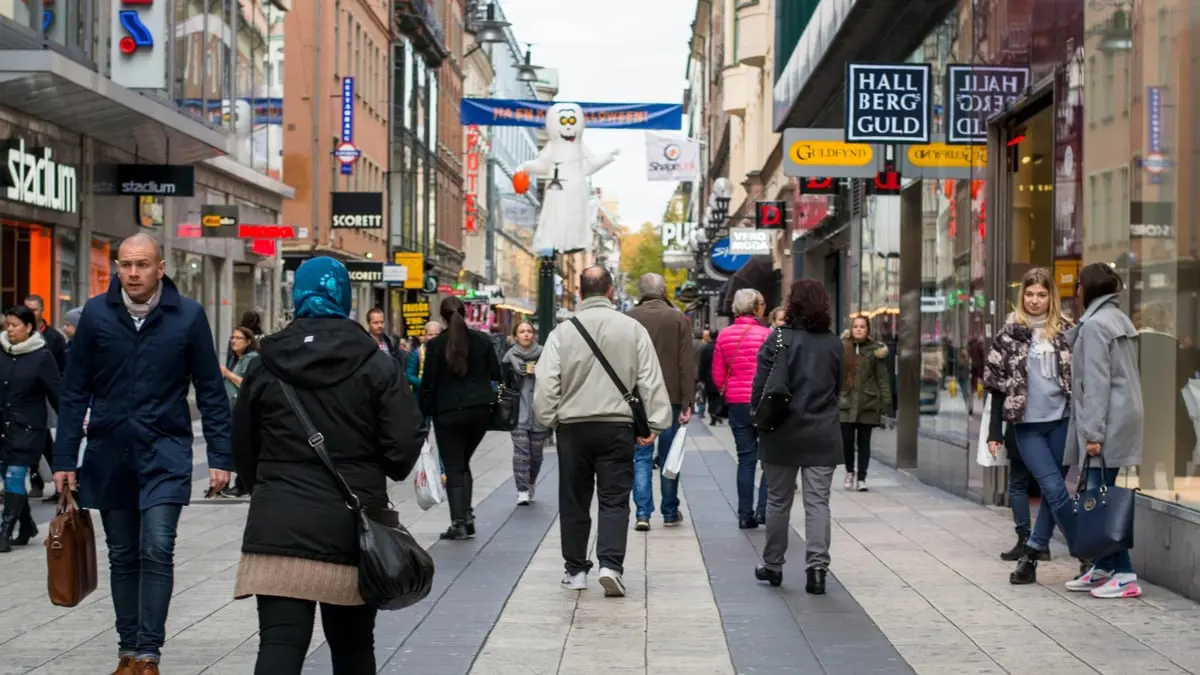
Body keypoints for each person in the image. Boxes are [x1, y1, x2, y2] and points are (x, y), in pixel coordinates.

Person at [231, 256, 425, 674]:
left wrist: (267, 486)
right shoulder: (376, 364)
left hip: (278, 524)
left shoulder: (266, 363)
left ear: (295, 294)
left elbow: (242, 448)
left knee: (280, 644)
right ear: (345, 297)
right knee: (353, 647)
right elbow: (401, 452)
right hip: (351, 529)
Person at [52, 233, 232, 675]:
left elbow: (210, 390)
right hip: (110, 453)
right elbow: (74, 392)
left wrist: (221, 457)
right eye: (126, 265)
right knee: (123, 554)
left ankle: (148, 654)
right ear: (117, 267)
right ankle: (128, 651)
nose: (133, 273)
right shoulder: (96, 314)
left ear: (161, 267)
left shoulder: (187, 316)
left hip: (165, 451)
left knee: (157, 547)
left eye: (142, 265)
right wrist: (63, 459)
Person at [534, 266, 671, 597]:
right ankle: (610, 565)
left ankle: (576, 569)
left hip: (574, 427)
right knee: (614, 498)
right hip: (617, 426)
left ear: (580, 293)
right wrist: (655, 422)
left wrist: (551, 418)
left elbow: (546, 382)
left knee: (574, 499)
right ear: (611, 291)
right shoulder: (632, 329)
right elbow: (650, 378)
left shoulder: (561, 333)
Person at [751, 279, 842, 595]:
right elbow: (840, 385)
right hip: (822, 432)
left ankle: (773, 566)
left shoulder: (778, 338)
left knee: (778, 500)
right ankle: (816, 570)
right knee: (818, 503)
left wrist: (757, 419)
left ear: (792, 304)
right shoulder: (833, 343)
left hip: (781, 431)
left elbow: (760, 385)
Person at [984, 267, 1074, 585]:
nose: (1035, 300)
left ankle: (1031, 556)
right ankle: (1088, 550)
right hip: (1027, 426)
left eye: (1042, 294)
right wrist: (994, 433)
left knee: (1053, 493)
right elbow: (995, 387)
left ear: (1051, 296)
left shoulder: (1065, 331)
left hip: (1063, 422)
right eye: (1030, 294)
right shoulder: (1009, 333)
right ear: (1022, 295)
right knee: (1052, 487)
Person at [1063, 263, 1144, 599]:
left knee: (1101, 498)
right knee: (1102, 491)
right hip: (1123, 415)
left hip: (1105, 420)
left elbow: (1096, 384)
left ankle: (1124, 573)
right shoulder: (1118, 319)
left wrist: (1093, 434)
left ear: (1087, 289)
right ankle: (1104, 567)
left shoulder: (1096, 326)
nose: (1076, 292)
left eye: (1079, 286)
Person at [420, 297, 500, 541]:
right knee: (462, 461)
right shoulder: (483, 341)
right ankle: (467, 516)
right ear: (465, 313)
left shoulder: (436, 346)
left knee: (454, 466)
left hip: (448, 412)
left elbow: (429, 386)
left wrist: (422, 415)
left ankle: (459, 523)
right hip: (479, 411)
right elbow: (496, 374)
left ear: (443, 317)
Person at [627, 273, 695, 530]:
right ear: (664, 290)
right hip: (671, 397)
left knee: (641, 455)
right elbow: (686, 363)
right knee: (669, 456)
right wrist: (688, 400)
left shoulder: (629, 318)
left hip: (638, 398)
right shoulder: (677, 317)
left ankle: (643, 513)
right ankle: (669, 511)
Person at [0, 305, 60, 551]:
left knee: (15, 476)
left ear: (28, 327)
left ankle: (4, 531)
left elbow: (57, 393)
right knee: (7, 476)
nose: (10, 330)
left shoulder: (42, 356)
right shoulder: (1, 351)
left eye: (15, 325)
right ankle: (26, 525)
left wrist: (72, 424)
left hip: (28, 428)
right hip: (2, 427)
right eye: (7, 324)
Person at [711, 289, 770, 529]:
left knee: (746, 459)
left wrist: (730, 391)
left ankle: (745, 515)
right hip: (765, 404)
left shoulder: (724, 336)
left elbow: (717, 375)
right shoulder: (769, 335)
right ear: (757, 307)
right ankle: (764, 510)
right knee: (769, 459)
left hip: (737, 405)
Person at [839, 316, 892, 492]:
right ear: (851, 329)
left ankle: (862, 477)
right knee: (847, 441)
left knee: (864, 442)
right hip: (845, 403)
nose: (859, 329)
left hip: (867, 403)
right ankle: (849, 472)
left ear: (867, 329)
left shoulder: (875, 351)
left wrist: (886, 401)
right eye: (856, 326)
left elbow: (882, 378)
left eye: (862, 327)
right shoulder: (843, 347)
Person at [23, 294, 66, 500]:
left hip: (47, 397)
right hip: (26, 398)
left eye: (35, 309)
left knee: (46, 441)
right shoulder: (18, 335)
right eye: (27, 309)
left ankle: (61, 483)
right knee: (29, 441)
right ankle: (36, 482)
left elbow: (62, 368)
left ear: (43, 310)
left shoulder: (54, 338)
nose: (31, 313)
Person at [504, 321, 550, 505]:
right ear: (515, 336)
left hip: (539, 413)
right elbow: (503, 383)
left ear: (534, 335)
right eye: (521, 331)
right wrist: (521, 372)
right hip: (517, 414)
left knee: (536, 455)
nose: (526, 334)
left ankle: (530, 483)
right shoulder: (509, 357)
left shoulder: (545, 354)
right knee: (522, 453)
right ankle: (522, 490)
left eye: (529, 331)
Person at [220, 326, 262, 498]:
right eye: (232, 338)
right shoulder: (235, 359)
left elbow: (246, 384)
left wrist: (228, 374)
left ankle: (242, 483)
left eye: (238, 338)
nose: (234, 341)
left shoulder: (252, 360)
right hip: (230, 408)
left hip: (241, 410)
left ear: (248, 342)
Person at [406, 320, 443, 391]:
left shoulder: (446, 351)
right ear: (425, 335)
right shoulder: (417, 353)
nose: (433, 337)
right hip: (421, 393)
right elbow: (409, 376)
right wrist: (424, 384)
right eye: (430, 334)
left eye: (436, 334)